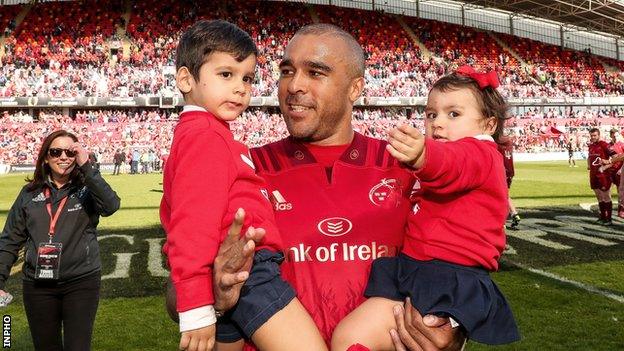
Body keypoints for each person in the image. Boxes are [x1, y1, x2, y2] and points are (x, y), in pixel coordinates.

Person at [207, 24, 466, 351]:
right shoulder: (244, 168)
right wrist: (216, 291)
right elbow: (178, 296)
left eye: (315, 72)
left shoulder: (406, 168)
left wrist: (453, 329)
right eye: (287, 71)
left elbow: (460, 265)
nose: (294, 85)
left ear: (355, 88)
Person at [160, 20, 325, 351]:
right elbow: (191, 224)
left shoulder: (209, 133)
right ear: (185, 79)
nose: (240, 87)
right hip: (250, 271)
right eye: (226, 74)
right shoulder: (205, 136)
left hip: (237, 271)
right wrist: (195, 308)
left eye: (247, 78)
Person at [332, 66, 520, 350]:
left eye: (453, 114)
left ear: (489, 126)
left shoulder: (482, 153)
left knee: (352, 338)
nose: (438, 123)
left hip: (447, 278)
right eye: (431, 114)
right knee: (353, 337)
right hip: (419, 269)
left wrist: (423, 154)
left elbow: (454, 163)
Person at [0, 129, 120, 351]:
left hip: (81, 283)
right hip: (38, 286)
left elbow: (111, 206)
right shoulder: (29, 193)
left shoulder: (87, 189)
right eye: (56, 152)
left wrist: (87, 167)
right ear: (46, 157)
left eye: (70, 152)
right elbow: (10, 240)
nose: (63, 157)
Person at [587, 128, 616, 225]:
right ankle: (603, 217)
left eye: (595, 135)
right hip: (593, 174)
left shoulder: (604, 145)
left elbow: (615, 157)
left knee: (606, 196)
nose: (593, 137)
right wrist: (588, 165)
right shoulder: (591, 146)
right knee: (599, 196)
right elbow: (589, 157)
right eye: (591, 136)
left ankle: (609, 219)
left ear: (599, 135)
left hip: (604, 175)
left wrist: (605, 166)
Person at [498, 134, 520, 229]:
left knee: (499, 195)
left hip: (502, 171)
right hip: (510, 171)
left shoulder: (498, 145)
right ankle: (515, 214)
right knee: (505, 194)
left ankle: (501, 221)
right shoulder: (508, 144)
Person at [608, 129, 624, 218]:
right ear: (611, 136)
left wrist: (621, 169)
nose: (615, 137)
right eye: (614, 136)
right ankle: (607, 210)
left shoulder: (622, 145)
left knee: (620, 191)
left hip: (619, 172)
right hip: (610, 171)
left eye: (617, 136)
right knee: (607, 191)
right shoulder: (608, 146)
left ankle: (620, 210)